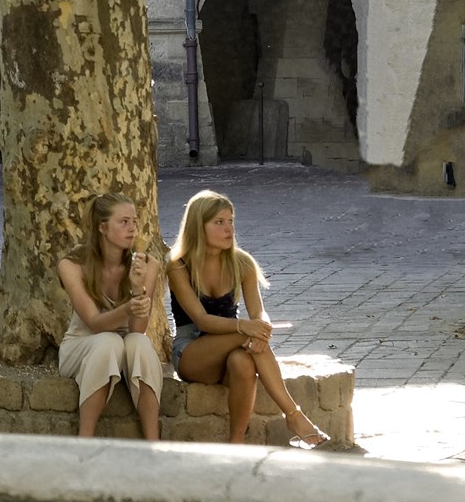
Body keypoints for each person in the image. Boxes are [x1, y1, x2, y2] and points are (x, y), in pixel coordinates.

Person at [167, 189, 335, 449]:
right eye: (219, 222)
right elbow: (201, 320)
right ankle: (294, 416)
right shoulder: (178, 266)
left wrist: (261, 326)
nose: (228, 228)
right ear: (198, 227)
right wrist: (247, 328)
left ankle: (237, 446)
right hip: (193, 351)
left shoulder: (241, 262)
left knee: (243, 363)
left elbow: (258, 312)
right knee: (249, 338)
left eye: (231, 221)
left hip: (232, 348)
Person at [56, 193, 164, 441]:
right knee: (108, 341)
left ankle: (153, 444)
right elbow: (94, 324)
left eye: (134, 222)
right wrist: (127, 308)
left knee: (141, 343)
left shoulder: (148, 265)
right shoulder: (72, 265)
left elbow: (137, 329)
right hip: (82, 343)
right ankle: (85, 440)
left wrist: (137, 289)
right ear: (103, 227)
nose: (132, 229)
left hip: (127, 341)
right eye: (123, 222)